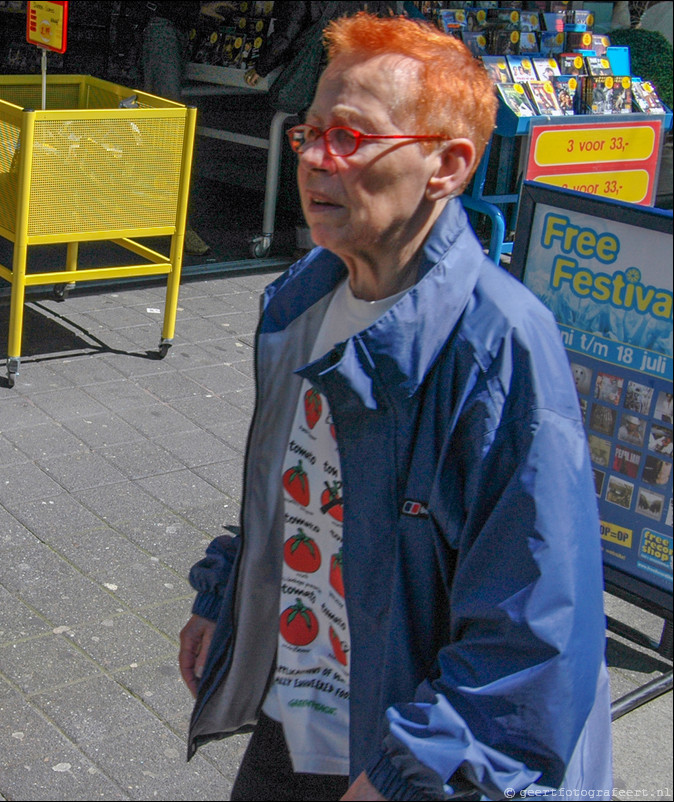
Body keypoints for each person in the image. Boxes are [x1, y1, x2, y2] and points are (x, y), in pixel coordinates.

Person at [179, 13, 613, 801]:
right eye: (310, 132)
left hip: (408, 745)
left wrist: (407, 774)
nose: (313, 159)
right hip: (301, 704)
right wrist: (226, 595)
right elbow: (296, 493)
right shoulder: (302, 299)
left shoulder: (499, 348)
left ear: (446, 166)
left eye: (349, 138)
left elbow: (535, 634)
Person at [139, 1, 232, 256]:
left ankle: (169, 220)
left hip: (170, 29)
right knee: (170, 130)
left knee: (167, 129)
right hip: (164, 28)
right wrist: (198, 10)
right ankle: (175, 224)